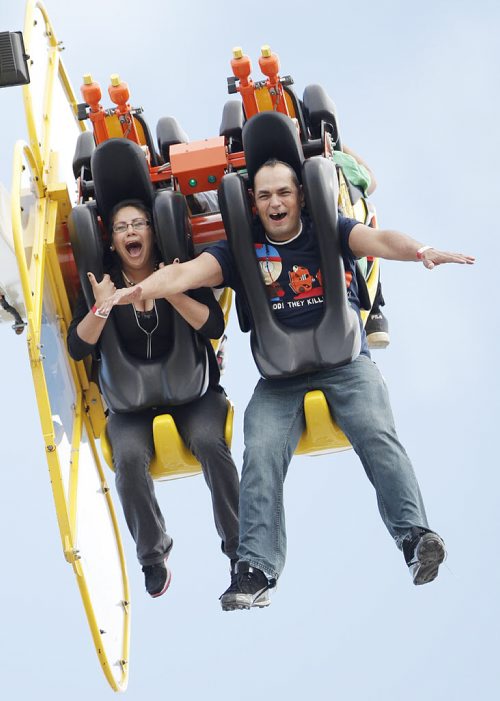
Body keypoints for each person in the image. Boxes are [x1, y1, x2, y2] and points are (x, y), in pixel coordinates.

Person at [97, 163, 475, 610]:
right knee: (259, 453)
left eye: (283, 193)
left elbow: (379, 240)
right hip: (281, 382)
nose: (275, 203)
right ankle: (255, 569)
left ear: (299, 194)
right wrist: (134, 291)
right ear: (253, 204)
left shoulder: (329, 229)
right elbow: (184, 275)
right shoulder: (240, 250)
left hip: (345, 366)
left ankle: (415, 538)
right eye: (264, 196)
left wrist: (421, 250)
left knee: (376, 432)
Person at [67, 200, 240, 599]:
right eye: (121, 227)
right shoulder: (100, 281)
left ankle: (238, 548)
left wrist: (172, 289)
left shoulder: (178, 268)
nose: (131, 232)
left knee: (212, 444)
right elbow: (78, 347)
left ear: (151, 232)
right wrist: (103, 305)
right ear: (111, 241)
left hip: (193, 394)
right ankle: (152, 556)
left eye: (138, 224)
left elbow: (213, 324)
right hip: (131, 407)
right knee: (126, 459)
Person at [333, 144, 389, 348]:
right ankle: (374, 308)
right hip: (342, 262)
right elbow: (371, 181)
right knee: (369, 213)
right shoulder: (336, 161)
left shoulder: (245, 172)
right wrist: (338, 143)